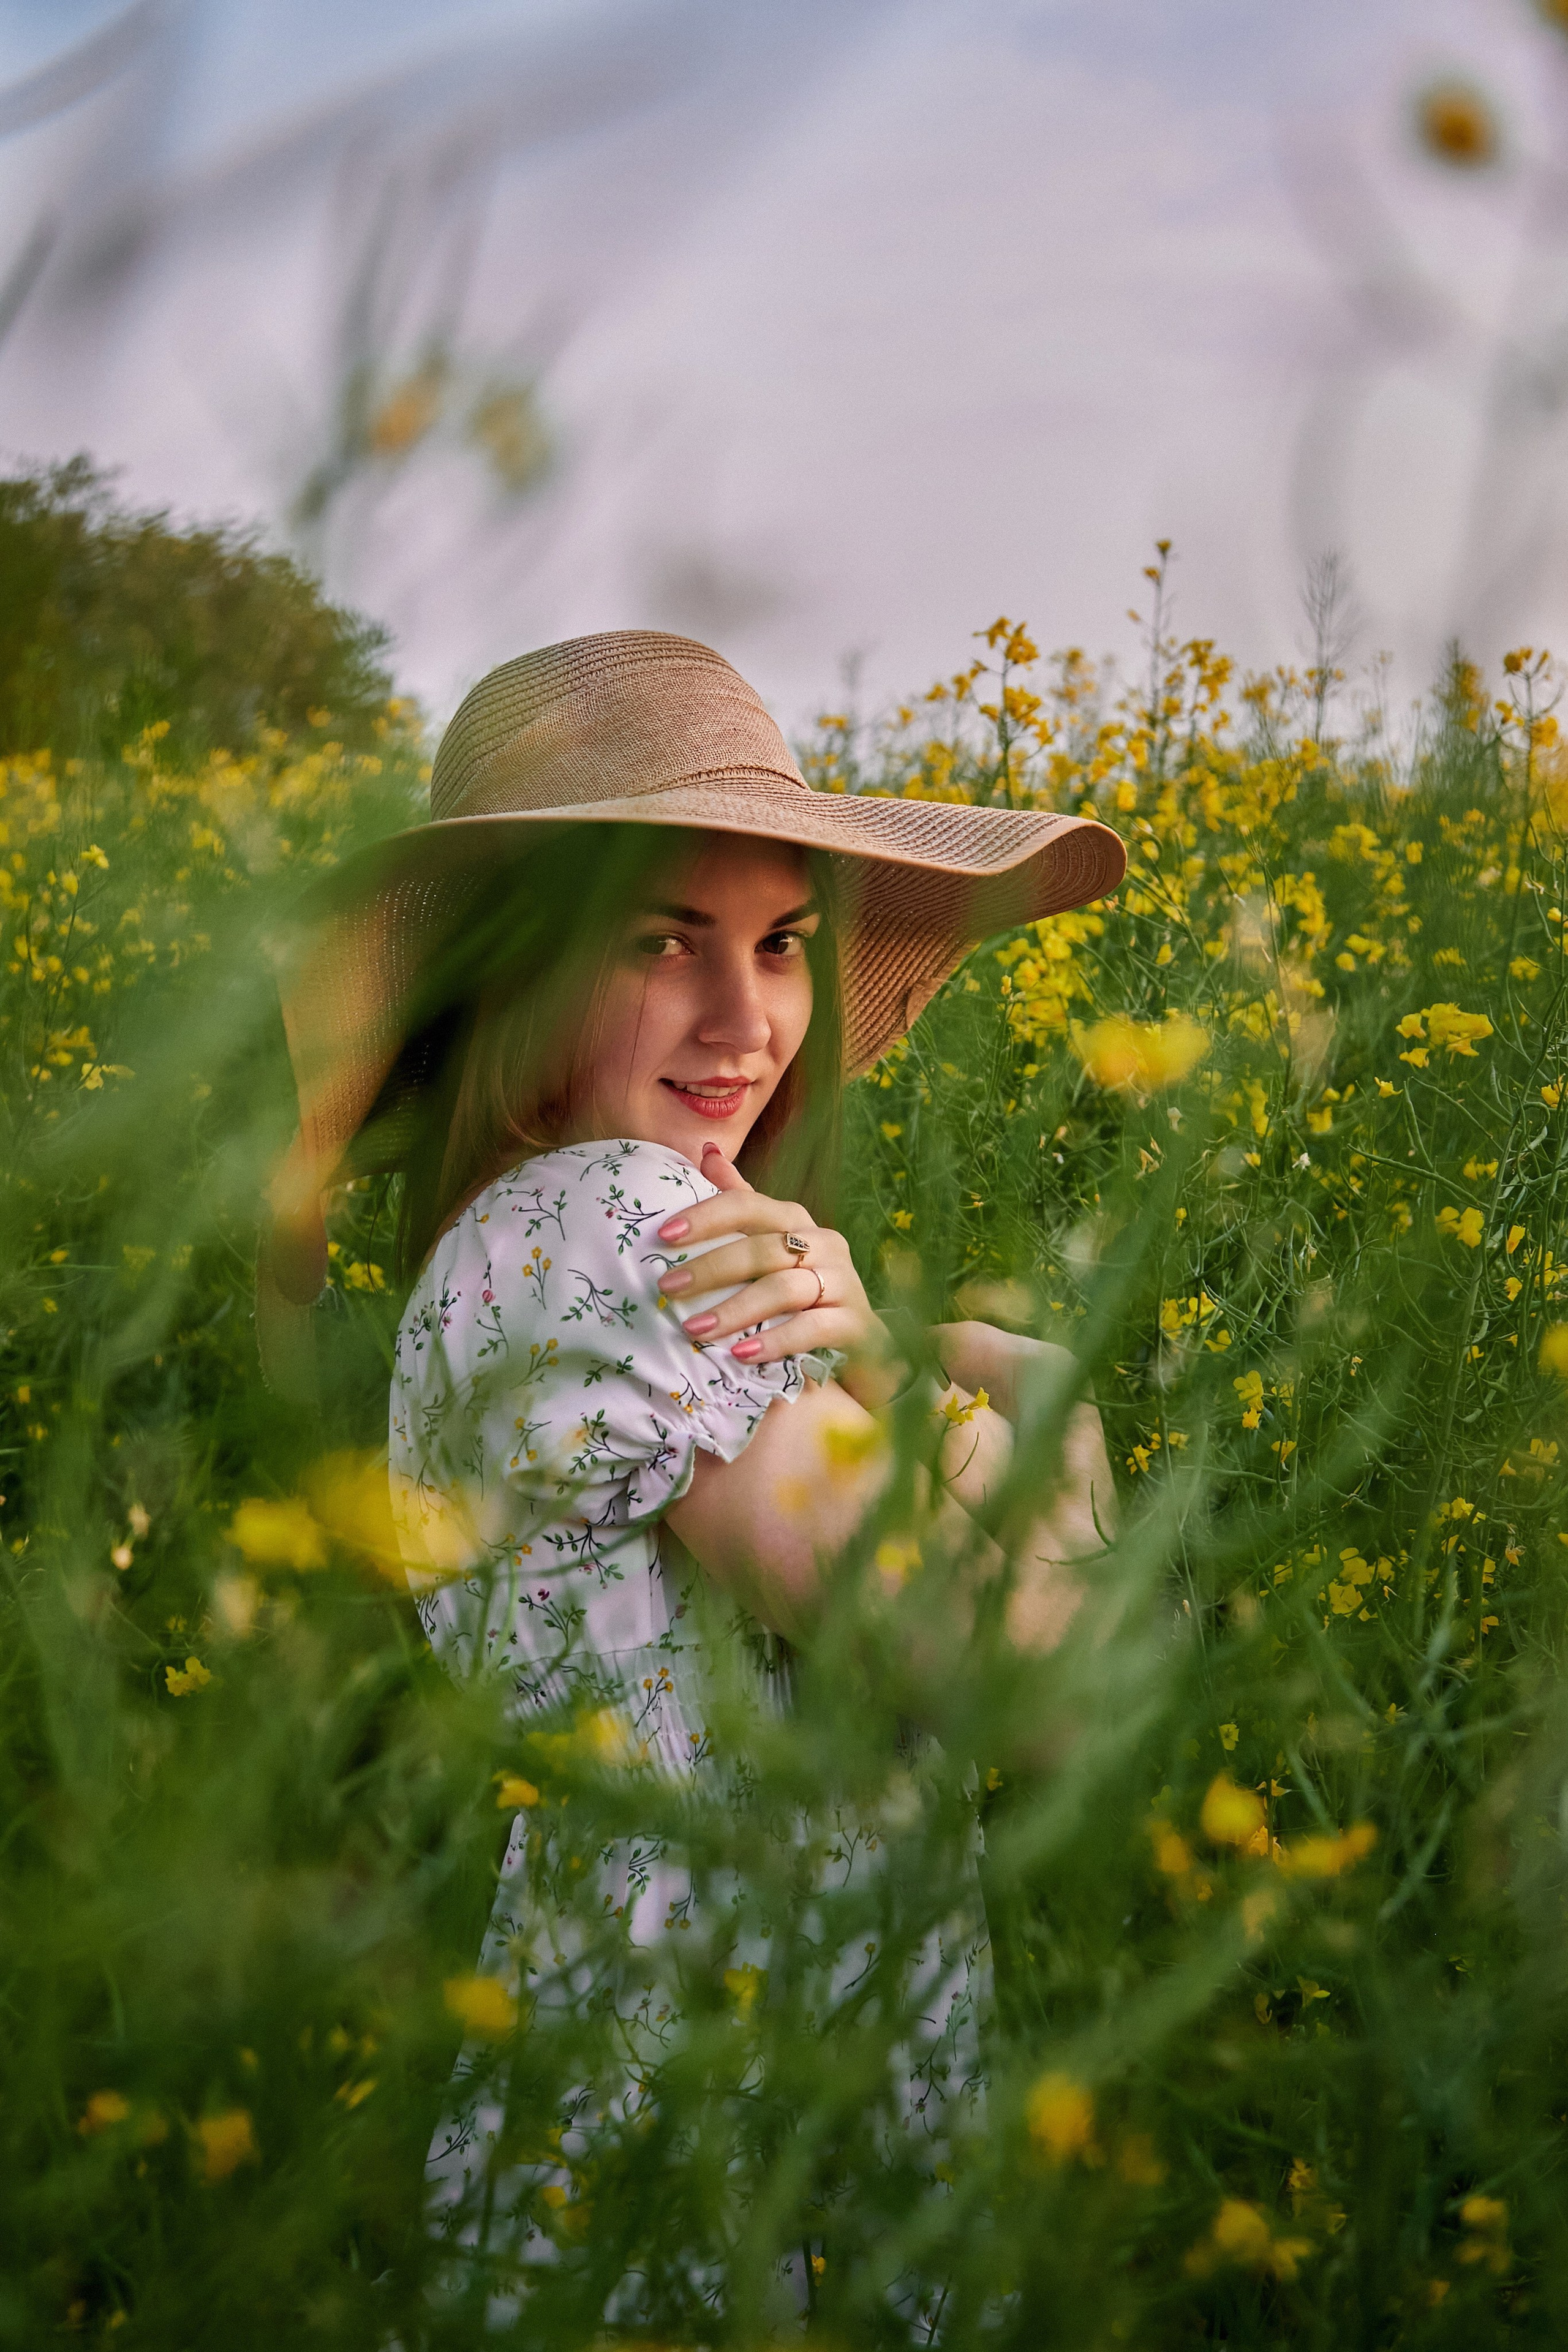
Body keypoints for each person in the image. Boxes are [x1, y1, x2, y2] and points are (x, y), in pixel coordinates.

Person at [262, 628, 1125, 2295]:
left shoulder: (511, 1243)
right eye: (667, 941)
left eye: (786, 943)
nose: (748, 1022)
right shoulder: (616, 1222)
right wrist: (1053, 1430)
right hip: (720, 2144)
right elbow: (1038, 1689)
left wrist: (872, 1367)